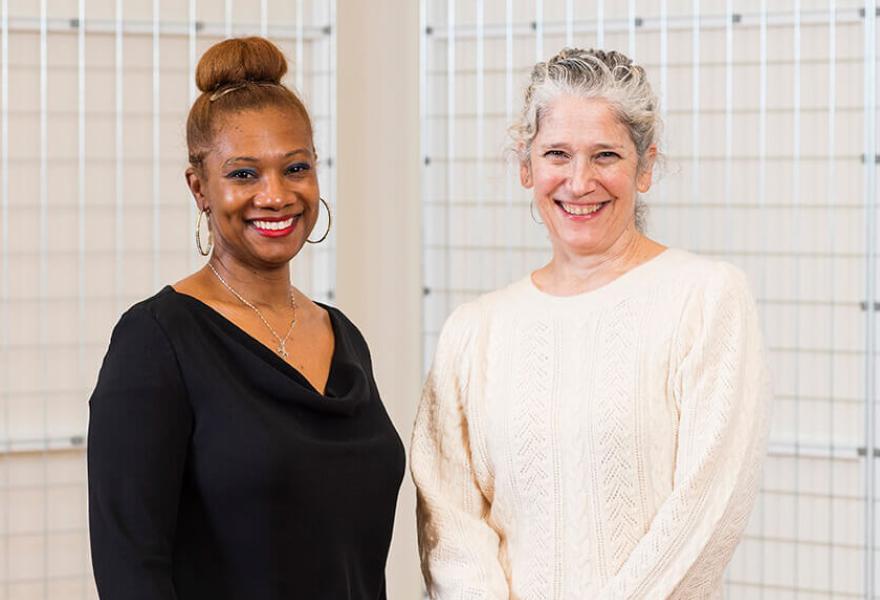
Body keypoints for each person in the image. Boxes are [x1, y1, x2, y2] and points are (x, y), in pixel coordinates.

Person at [411, 47, 771, 598]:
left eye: (605, 155)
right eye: (557, 154)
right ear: (525, 166)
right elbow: (450, 520)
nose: (579, 182)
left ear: (645, 166)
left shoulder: (705, 300)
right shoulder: (474, 332)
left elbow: (709, 509)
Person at [88, 37, 405, 599]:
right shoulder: (158, 341)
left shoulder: (344, 336)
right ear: (199, 188)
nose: (276, 195)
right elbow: (131, 570)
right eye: (243, 174)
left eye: (296, 167)